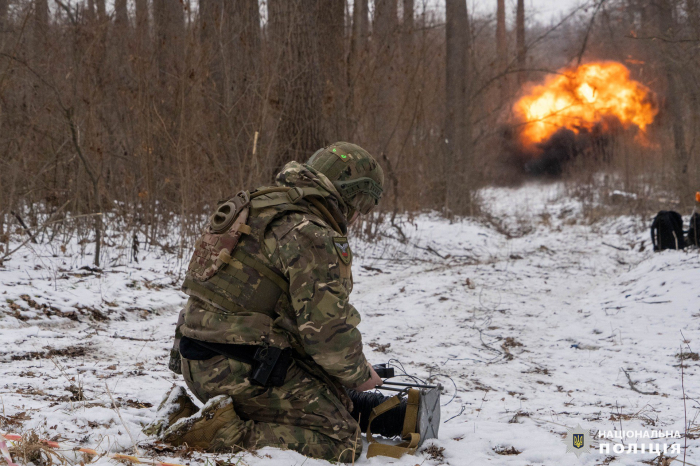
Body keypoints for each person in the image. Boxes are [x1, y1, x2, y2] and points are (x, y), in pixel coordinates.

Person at [147, 142, 386, 462]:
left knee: (336, 402)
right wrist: (358, 373)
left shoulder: (255, 205)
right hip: (239, 371)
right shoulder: (311, 231)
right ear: (350, 197)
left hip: (196, 363)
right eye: (361, 207)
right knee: (342, 440)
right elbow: (328, 336)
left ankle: (188, 413)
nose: (356, 218)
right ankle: (220, 433)